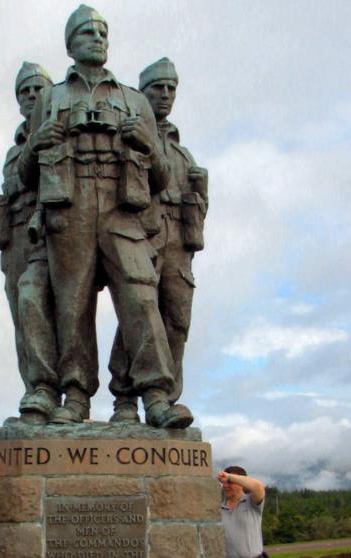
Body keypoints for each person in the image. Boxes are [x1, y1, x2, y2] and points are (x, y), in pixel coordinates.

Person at [18, 5, 193, 429]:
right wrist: (35, 145)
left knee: (140, 297)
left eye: (102, 32)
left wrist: (147, 144)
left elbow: (162, 177)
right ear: (70, 44)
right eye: (86, 32)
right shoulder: (51, 98)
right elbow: (27, 177)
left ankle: (155, 395)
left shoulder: (134, 100)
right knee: (71, 304)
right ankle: (75, 395)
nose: (97, 38)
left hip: (120, 209)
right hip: (70, 207)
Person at [109, 57, 208, 422]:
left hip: (179, 242)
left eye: (171, 89)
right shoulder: (129, 135)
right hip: (143, 234)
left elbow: (200, 209)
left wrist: (200, 195)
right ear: (143, 93)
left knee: (177, 322)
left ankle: (165, 400)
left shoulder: (183, 155)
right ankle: (125, 398)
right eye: (157, 88)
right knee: (138, 314)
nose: (165, 95)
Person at [0, 62, 60, 421]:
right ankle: (35, 391)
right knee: (22, 316)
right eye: (25, 91)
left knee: (42, 305)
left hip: (50, 233)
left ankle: (50, 387)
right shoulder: (13, 149)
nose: (31, 96)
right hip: (15, 237)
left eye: (37, 89)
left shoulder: (57, 132)